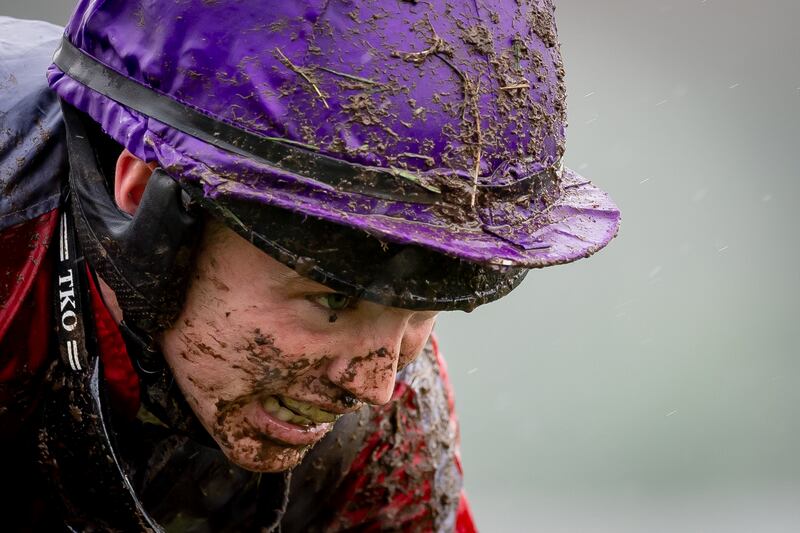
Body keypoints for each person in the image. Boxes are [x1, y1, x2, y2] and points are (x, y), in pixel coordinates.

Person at [0, 0, 620, 531]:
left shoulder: (385, 434)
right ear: (146, 195)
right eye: (332, 300)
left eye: (421, 307)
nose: (374, 388)